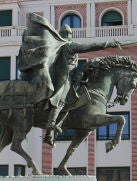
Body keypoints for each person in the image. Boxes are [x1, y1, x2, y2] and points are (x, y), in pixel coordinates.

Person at [17, 13, 121, 144]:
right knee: (62, 97)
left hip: (72, 76)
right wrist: (108, 44)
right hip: (64, 76)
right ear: (69, 35)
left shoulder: (61, 46)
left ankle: (49, 135)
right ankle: (51, 122)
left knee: (72, 103)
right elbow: (88, 47)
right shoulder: (69, 46)